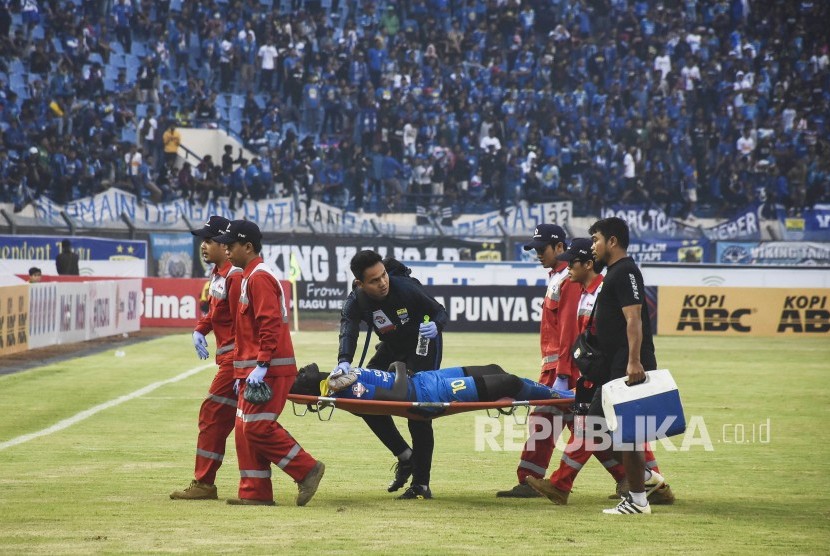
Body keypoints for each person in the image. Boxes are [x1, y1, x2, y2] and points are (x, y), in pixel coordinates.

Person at [526, 239, 674, 505]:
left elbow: (617, 331)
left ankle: (563, 484)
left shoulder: (602, 291)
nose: (567, 267)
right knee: (616, 431)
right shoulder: (586, 291)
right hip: (597, 371)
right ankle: (653, 484)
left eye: (572, 263)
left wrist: (570, 373)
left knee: (600, 428)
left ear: (588, 264)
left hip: (610, 373)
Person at [214, 219, 324, 506]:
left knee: (256, 427)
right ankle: (255, 493)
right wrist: (242, 371)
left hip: (271, 369)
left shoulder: (259, 278)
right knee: (244, 429)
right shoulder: (248, 276)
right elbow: (248, 331)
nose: (225, 250)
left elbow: (269, 324)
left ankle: (306, 468)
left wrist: (261, 365)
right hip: (254, 369)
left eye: (231, 245)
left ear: (247, 247)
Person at [336, 250, 447, 500]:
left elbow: (439, 310)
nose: (383, 282)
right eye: (374, 280)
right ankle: (405, 456)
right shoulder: (355, 302)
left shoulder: (406, 287)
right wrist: (343, 362)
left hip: (422, 345)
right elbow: (348, 330)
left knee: (418, 410)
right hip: (392, 346)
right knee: (358, 397)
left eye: (383, 275)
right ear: (359, 284)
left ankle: (421, 484)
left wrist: (436, 326)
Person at [588, 217, 666, 515]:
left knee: (624, 432)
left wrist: (634, 361)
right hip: (616, 365)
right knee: (598, 424)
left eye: (596, 239)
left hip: (629, 365)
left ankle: (638, 499)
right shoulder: (614, 272)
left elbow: (634, 318)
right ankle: (644, 479)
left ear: (612, 241)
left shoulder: (626, 271)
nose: (593, 246)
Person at [497, 224, 580, 498]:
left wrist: (564, 373)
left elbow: (569, 329)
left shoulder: (568, 279)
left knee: (546, 422)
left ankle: (529, 480)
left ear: (559, 247)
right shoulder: (559, 277)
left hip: (563, 368)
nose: (537, 254)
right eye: (534, 249)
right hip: (559, 366)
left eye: (542, 249)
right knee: (588, 429)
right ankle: (632, 478)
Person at [170, 216, 242, 501]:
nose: (203, 246)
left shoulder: (234, 276)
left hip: (236, 360)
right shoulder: (218, 275)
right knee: (241, 422)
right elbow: (216, 312)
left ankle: (204, 483)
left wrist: (245, 365)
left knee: (214, 416)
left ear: (225, 245)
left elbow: (243, 322)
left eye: (209, 241)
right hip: (232, 360)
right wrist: (201, 329)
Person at [292, 362, 573, 403]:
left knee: (493, 369)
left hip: (424, 379)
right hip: (427, 392)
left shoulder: (336, 377)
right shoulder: (347, 388)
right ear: (306, 387)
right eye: (300, 375)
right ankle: (560, 398)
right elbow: (400, 396)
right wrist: (400, 367)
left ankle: (554, 394)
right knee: (508, 381)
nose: (303, 369)